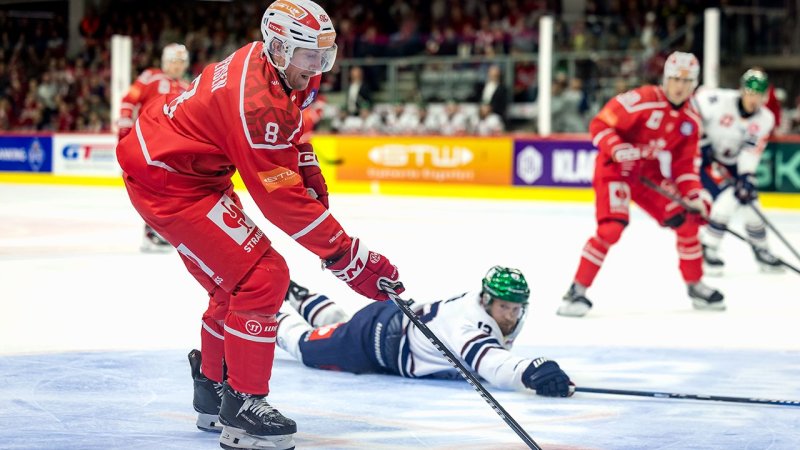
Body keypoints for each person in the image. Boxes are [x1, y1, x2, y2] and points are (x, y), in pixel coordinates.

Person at [115, 1, 404, 449]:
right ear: (280, 47)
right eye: (309, 56)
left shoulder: (272, 64)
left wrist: (305, 164)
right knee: (263, 276)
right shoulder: (255, 104)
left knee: (232, 285)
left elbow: (289, 126)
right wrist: (347, 257)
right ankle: (243, 407)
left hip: (182, 167)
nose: (317, 68)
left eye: (324, 55)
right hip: (171, 181)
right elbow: (280, 201)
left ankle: (213, 389)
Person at [558, 51, 724, 318]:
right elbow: (599, 124)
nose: (680, 86)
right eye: (675, 79)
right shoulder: (642, 99)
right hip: (615, 169)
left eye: (687, 81)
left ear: (694, 84)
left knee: (688, 219)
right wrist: (617, 148)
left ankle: (695, 285)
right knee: (611, 228)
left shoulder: (691, 120)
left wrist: (695, 196)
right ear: (665, 78)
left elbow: (685, 166)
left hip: (647, 173)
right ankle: (576, 290)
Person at [270, 266, 573, 396]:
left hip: (388, 322)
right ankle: (266, 313)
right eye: (504, 306)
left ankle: (298, 294)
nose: (510, 316)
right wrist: (531, 371)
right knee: (305, 347)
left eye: (516, 308)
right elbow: (493, 364)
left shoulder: (477, 306)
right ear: (487, 300)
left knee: (339, 323)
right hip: (370, 342)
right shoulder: (467, 325)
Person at [694, 69, 782, 274]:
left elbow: (751, 150)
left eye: (758, 95)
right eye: (750, 93)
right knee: (728, 197)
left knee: (750, 201)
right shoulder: (718, 100)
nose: (753, 99)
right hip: (704, 160)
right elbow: (693, 109)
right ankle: (708, 246)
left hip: (732, 164)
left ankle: (761, 249)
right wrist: (702, 140)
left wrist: (746, 175)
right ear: (741, 90)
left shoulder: (765, 118)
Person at [117, 43, 190, 252]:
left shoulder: (187, 86)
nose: (178, 66)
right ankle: (151, 234)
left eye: (181, 62)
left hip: (173, 146)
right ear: (165, 62)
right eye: (174, 61)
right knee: (152, 189)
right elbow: (129, 100)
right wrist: (124, 130)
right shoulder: (150, 76)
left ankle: (161, 232)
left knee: (171, 190)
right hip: (148, 142)